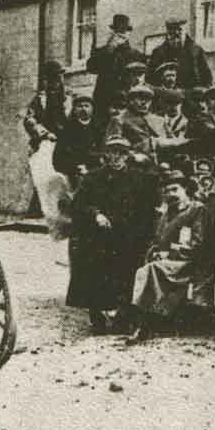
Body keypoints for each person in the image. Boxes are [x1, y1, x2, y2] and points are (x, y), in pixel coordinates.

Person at [67, 136, 160, 333]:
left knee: (128, 270)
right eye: (112, 152)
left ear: (128, 156)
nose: (116, 157)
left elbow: (147, 209)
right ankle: (96, 314)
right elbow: (78, 204)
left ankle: (124, 315)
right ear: (105, 154)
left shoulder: (139, 179)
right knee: (93, 265)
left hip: (128, 235)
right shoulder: (92, 178)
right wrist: (96, 214)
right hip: (99, 234)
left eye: (122, 153)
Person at [125, 170, 207, 345]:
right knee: (147, 267)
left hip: (186, 262)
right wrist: (155, 252)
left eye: (175, 189)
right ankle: (145, 320)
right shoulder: (166, 213)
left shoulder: (196, 210)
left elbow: (197, 243)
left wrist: (169, 253)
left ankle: (142, 326)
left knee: (150, 270)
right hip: (167, 262)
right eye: (167, 191)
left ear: (185, 189)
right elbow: (157, 239)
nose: (171, 194)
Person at [89, 14, 147, 129]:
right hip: (104, 100)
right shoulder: (103, 51)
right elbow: (91, 67)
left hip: (126, 99)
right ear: (113, 33)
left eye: (124, 31)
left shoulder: (135, 54)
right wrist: (109, 49)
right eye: (117, 31)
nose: (121, 35)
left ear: (128, 33)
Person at [105, 84, 169, 164]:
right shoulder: (119, 120)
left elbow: (171, 140)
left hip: (164, 161)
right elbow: (112, 147)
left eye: (147, 99)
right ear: (131, 100)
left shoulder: (160, 120)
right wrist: (133, 155)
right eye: (140, 98)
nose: (144, 102)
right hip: (134, 164)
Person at [146, 17, 212, 89]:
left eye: (179, 29)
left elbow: (207, 79)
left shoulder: (197, 51)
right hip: (166, 96)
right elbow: (149, 79)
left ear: (185, 31)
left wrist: (201, 89)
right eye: (172, 30)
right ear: (167, 32)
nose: (176, 33)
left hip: (192, 96)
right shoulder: (158, 53)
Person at [52, 94, 102, 189]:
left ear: (92, 109)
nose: (83, 109)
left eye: (86, 106)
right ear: (74, 110)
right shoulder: (67, 131)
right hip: (77, 173)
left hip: (99, 169)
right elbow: (58, 159)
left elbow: (104, 150)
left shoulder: (99, 128)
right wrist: (76, 168)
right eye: (80, 106)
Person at [23, 60, 69, 150]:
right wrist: (45, 134)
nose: (57, 82)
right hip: (46, 144)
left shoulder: (70, 98)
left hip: (68, 143)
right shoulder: (39, 100)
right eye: (54, 78)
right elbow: (29, 120)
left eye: (60, 78)